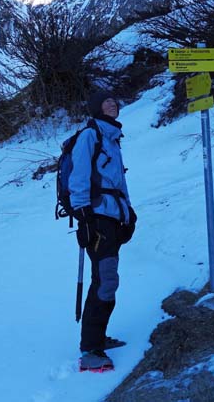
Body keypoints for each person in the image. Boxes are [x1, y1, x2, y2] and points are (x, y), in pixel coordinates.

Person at [69, 90, 137, 372]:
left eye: (115, 100)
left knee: (103, 280)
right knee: (106, 280)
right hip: (97, 218)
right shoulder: (90, 136)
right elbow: (79, 176)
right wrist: (83, 216)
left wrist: (128, 213)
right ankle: (90, 351)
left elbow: (116, 182)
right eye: (106, 101)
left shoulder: (111, 138)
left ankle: (96, 339)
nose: (113, 103)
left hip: (112, 216)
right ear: (96, 108)